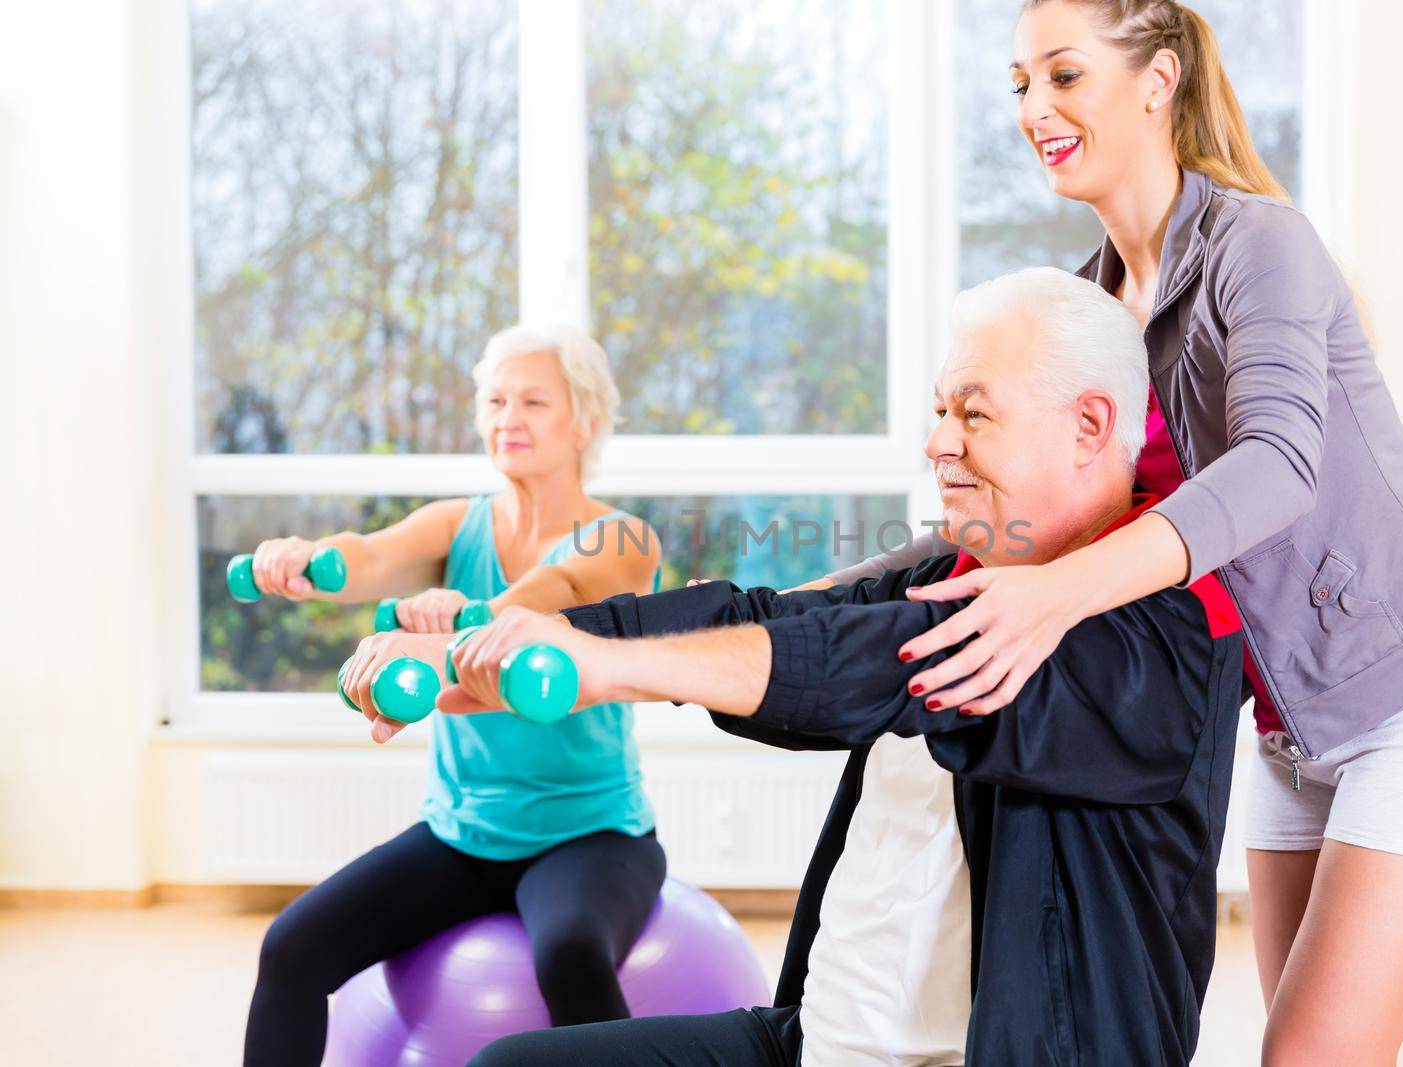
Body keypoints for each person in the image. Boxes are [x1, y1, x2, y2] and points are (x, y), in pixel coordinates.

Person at [820, 3, 1403, 1063]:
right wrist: (804, 603)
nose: (1035, 108)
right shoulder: (1088, 306)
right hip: (1289, 732)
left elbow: (1278, 463)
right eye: (1019, 83)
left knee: (1308, 1055)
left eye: (1063, 75)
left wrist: (1057, 593)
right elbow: (1017, 523)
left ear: (1157, 80)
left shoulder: (1260, 241)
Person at [356, 268, 1245, 1065]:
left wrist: (602, 669)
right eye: (939, 411)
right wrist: (493, 645)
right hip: (818, 1040)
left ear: (1090, 426)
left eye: (974, 413)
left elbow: (870, 667)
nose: (939, 443)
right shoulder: (951, 574)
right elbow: (758, 617)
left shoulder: (1161, 636)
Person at [241, 325, 666, 1066]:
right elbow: (369, 556)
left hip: (592, 836)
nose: (509, 416)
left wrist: (460, 620)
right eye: (496, 399)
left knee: (570, 954)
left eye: (534, 400)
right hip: (461, 832)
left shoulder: (621, 538)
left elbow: (555, 592)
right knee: (291, 947)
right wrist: (308, 560)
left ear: (585, 421)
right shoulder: (455, 523)